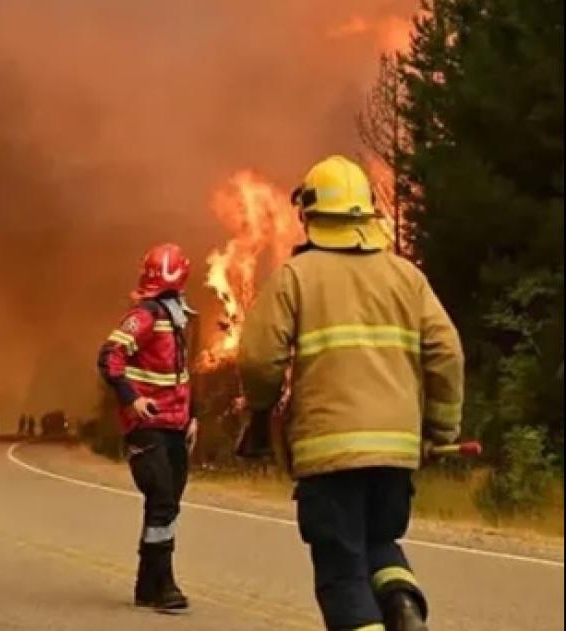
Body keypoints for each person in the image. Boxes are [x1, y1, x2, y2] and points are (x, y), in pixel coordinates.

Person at [238, 155, 464, 631]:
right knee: (381, 541)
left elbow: (259, 360)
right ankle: (402, 602)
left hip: (329, 451)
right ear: (366, 212)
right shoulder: (407, 277)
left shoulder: (296, 278)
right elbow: (447, 353)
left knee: (341, 567)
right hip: (396, 451)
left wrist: (261, 409)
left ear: (310, 215)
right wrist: (440, 427)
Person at [96, 242, 199, 612]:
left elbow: (183, 373)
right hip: (148, 425)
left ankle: (146, 584)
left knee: (167, 507)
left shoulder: (178, 317)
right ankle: (166, 584)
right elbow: (110, 356)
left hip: (175, 424)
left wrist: (193, 416)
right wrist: (131, 399)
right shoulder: (144, 315)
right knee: (162, 501)